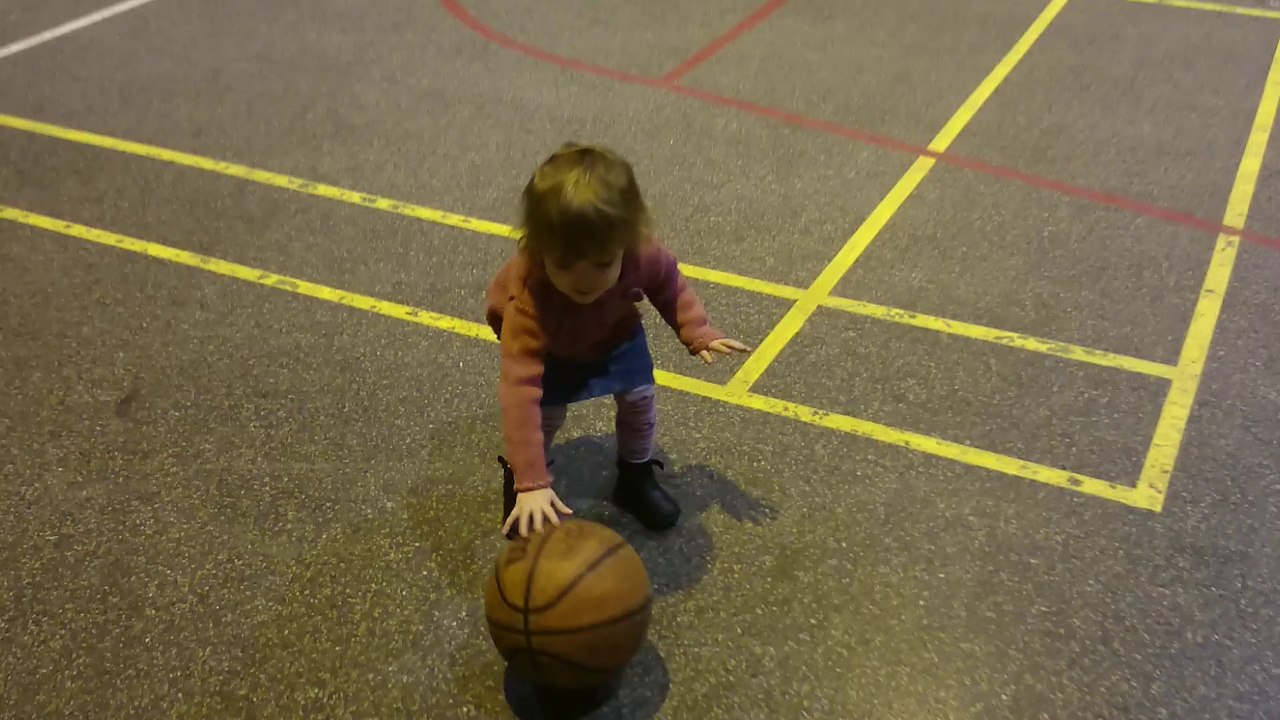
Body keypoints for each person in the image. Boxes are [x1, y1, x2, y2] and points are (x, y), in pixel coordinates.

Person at [485, 142, 751, 539]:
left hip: (614, 333)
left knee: (639, 397)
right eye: (564, 263)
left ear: (625, 242)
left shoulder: (641, 255)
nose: (583, 279)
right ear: (539, 250)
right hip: (554, 346)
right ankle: (525, 479)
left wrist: (696, 330)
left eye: (602, 263)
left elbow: (668, 285)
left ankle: (635, 478)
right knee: (545, 415)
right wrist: (531, 483)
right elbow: (519, 392)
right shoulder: (529, 301)